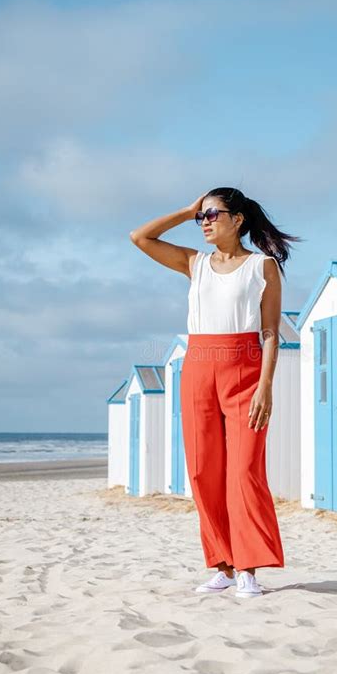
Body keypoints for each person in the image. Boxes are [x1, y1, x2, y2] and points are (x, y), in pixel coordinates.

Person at [130, 187, 301, 598]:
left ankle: (249, 569)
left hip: (245, 370)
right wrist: (187, 208)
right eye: (201, 217)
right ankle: (223, 566)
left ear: (238, 219)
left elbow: (270, 333)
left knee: (244, 472)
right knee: (204, 472)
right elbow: (141, 237)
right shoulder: (195, 264)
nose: (205, 222)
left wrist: (266, 387)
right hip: (198, 368)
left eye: (213, 214)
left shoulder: (263, 267)